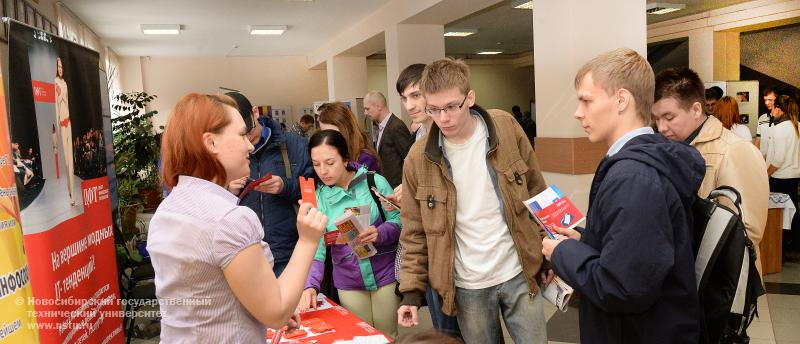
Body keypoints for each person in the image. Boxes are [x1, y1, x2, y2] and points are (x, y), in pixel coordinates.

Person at [542, 49, 703, 343]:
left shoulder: (635, 177)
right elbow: (635, 252)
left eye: (586, 101)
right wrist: (586, 241)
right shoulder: (637, 165)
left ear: (621, 100)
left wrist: (562, 253)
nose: (578, 112)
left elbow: (622, 288)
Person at [147, 93, 327, 342]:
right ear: (211, 143)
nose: (250, 146)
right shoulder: (229, 219)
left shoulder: (167, 209)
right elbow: (276, 311)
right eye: (242, 135)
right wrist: (307, 241)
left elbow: (206, 293)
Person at [397, 58, 549, 344]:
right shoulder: (417, 159)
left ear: (470, 97)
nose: (443, 118)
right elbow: (414, 232)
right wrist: (411, 292)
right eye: (434, 109)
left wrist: (551, 252)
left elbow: (537, 190)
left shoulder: (505, 127)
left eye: (452, 107)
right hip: (467, 287)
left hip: (518, 271)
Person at [653, 67, 768, 275]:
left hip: (720, 287)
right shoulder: (671, 149)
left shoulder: (735, 150)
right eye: (657, 118)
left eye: (668, 117)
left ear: (696, 110)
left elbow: (747, 232)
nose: (661, 127)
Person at [299, 129, 402, 337]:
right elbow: (316, 247)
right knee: (359, 338)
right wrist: (310, 285)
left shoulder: (374, 182)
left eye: (330, 162)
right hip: (348, 281)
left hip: (385, 274)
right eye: (316, 164)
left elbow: (398, 221)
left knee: (388, 336)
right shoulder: (317, 198)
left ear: (345, 158)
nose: (323, 171)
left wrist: (380, 233)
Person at [386, 62, 461, 337]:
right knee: (443, 331)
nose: (409, 105)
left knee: (456, 332)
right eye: (405, 98)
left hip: (456, 253)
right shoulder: (418, 135)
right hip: (429, 251)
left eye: (416, 95)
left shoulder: (452, 135)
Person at [225, 92, 314, 277]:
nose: (247, 142)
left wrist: (285, 186)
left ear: (255, 112)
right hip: (243, 255)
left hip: (288, 252)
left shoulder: (295, 145)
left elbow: (312, 193)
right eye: (238, 135)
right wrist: (228, 191)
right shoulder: (225, 151)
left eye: (248, 131)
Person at [765, 95, 800, 250]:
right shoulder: (797, 125)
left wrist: (766, 174)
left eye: (773, 108)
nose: (771, 112)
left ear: (778, 109)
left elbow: (778, 159)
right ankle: (793, 244)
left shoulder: (779, 128)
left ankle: (781, 247)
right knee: (793, 211)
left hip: (780, 177)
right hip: (794, 176)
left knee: (779, 216)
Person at [364, 90, 414, 187]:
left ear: (378, 106)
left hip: (398, 188)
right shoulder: (380, 127)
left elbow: (409, 159)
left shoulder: (396, 127)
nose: (365, 113)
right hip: (387, 187)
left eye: (367, 109)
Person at [317, 101, 381, 172]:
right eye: (323, 133)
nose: (326, 139)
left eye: (331, 133)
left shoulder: (365, 160)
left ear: (345, 129)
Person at [54, 57, 76, 206]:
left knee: (71, 162)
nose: (60, 69)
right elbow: (56, 105)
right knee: (65, 163)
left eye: (62, 67)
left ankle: (73, 195)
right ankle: (67, 193)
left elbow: (66, 102)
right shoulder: (54, 83)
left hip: (68, 123)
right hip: (60, 124)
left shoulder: (65, 83)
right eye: (58, 67)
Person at [756, 88, 778, 155]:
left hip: (777, 162)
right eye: (765, 100)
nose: (766, 103)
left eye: (770, 100)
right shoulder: (762, 118)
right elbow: (758, 140)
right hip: (763, 161)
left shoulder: (783, 120)